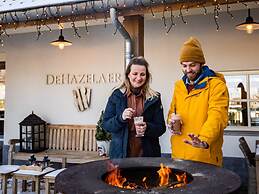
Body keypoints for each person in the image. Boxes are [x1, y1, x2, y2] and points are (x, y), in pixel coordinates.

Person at [167, 37, 229, 167]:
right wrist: (171, 123)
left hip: (204, 156)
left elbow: (217, 116)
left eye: (192, 65)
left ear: (201, 64)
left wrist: (204, 140)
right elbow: (172, 112)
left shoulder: (216, 85)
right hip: (178, 155)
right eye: (184, 66)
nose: (188, 69)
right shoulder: (179, 86)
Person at [102, 56, 166, 159]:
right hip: (120, 156)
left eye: (142, 74)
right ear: (128, 75)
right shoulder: (116, 95)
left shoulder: (154, 98)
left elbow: (161, 128)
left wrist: (147, 127)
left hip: (148, 156)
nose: (139, 78)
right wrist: (121, 118)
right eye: (135, 74)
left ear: (147, 76)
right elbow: (106, 125)